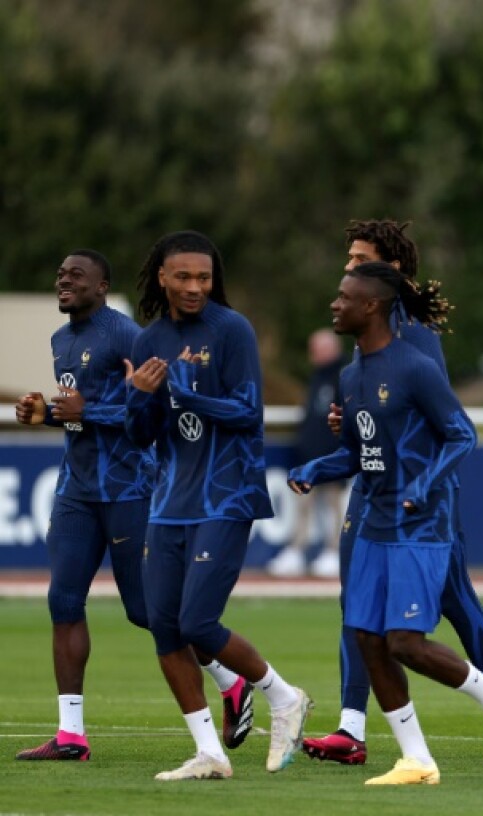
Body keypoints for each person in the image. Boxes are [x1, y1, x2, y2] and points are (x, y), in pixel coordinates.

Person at [287, 261, 483, 785]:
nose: (335, 304)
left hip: (420, 525)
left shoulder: (415, 367)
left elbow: (461, 434)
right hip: (373, 522)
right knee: (368, 639)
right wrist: (314, 468)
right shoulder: (350, 375)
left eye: (344, 297)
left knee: (404, 643)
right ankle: (416, 759)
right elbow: (358, 453)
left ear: (371, 305)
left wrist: (423, 484)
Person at [124, 230, 311, 781]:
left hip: (227, 495)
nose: (194, 287)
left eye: (203, 277)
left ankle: (282, 697)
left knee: (198, 621)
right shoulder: (147, 339)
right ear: (161, 276)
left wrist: (178, 392)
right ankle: (209, 752)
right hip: (169, 502)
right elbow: (141, 434)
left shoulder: (231, 329)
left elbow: (247, 411)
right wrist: (141, 396)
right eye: (183, 276)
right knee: (163, 626)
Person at [13, 250, 154, 761]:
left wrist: (86, 409)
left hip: (128, 487)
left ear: (102, 286)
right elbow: (77, 415)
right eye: (60, 274)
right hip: (76, 487)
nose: (63, 280)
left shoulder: (126, 335)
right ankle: (70, 735)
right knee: (63, 601)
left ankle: (230, 680)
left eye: (76, 275)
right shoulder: (61, 340)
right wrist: (46, 414)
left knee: (144, 611)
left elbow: (153, 408)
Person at [267, 329, 346, 579]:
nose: (312, 354)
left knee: (334, 506)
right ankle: (296, 551)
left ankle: (334, 551)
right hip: (308, 456)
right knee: (303, 505)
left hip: (334, 456)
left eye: (317, 348)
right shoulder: (317, 377)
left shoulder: (344, 376)